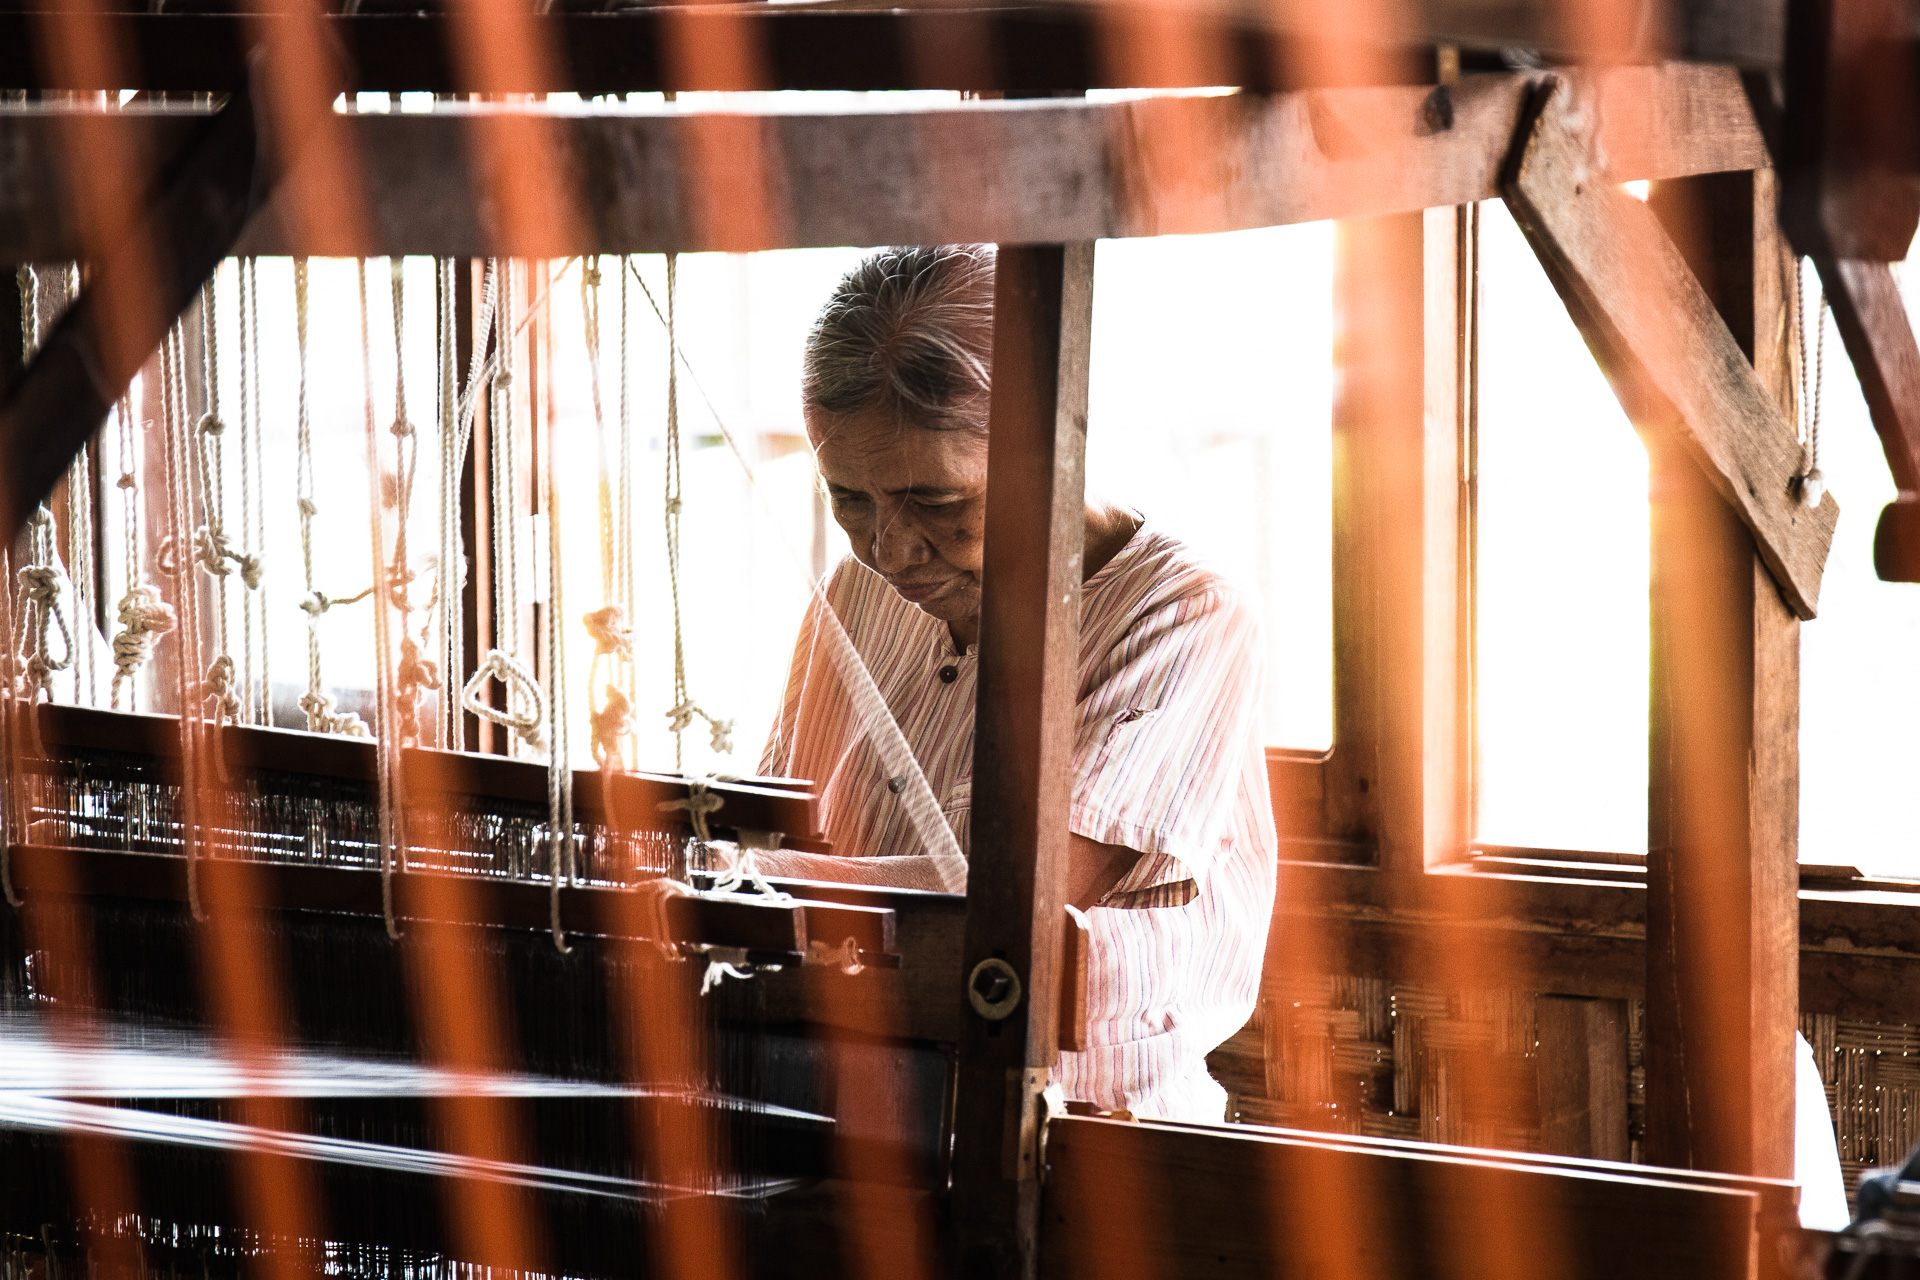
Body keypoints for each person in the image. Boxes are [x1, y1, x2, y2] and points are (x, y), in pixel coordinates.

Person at [755, 244, 1277, 1123]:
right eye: (850, 499)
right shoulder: (857, 592)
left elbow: (1020, 896)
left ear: (1048, 440)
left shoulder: (1183, 614)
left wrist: (738, 878)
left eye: (940, 504)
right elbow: (782, 811)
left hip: (1093, 1133)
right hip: (854, 1102)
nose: (890, 550)